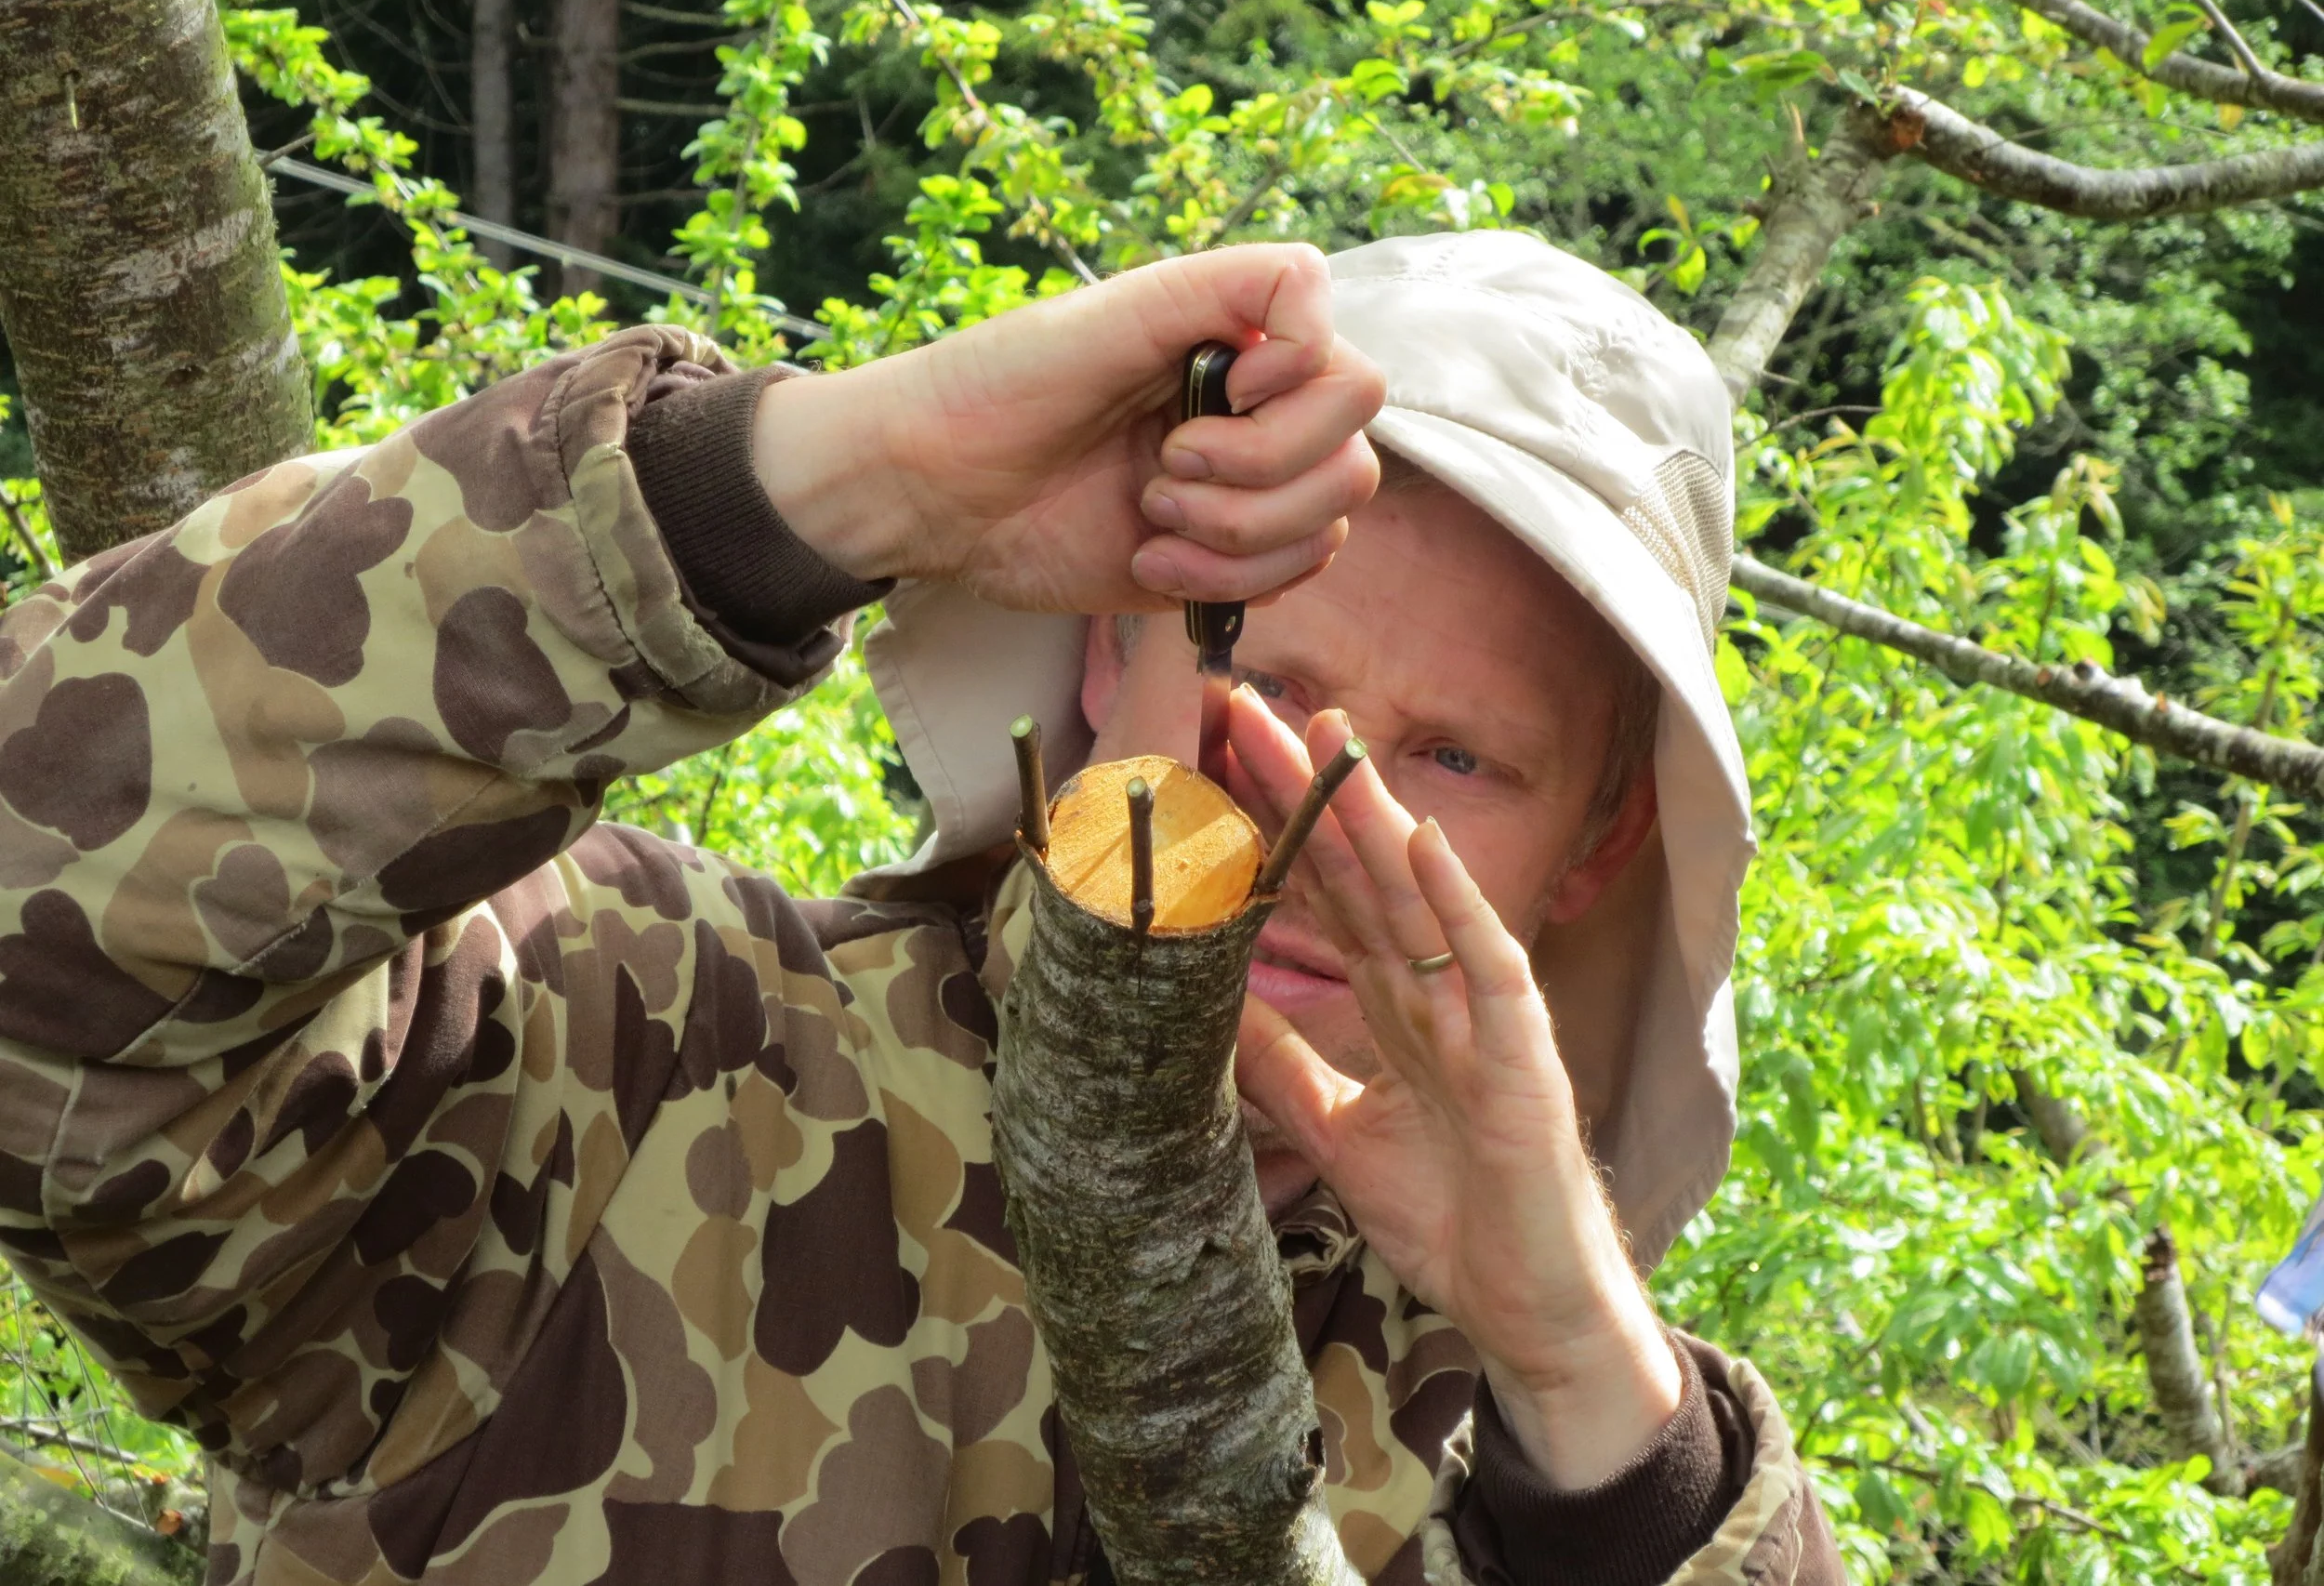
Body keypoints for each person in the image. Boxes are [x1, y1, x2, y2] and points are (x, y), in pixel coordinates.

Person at [0, 231, 1836, 1585]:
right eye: (1261, 679)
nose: (1306, 805)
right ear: (1107, 645)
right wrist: (828, 478)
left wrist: (1582, 1370)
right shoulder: (617, 1065)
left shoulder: (1553, 1467)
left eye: (1454, 758)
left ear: (1592, 848)